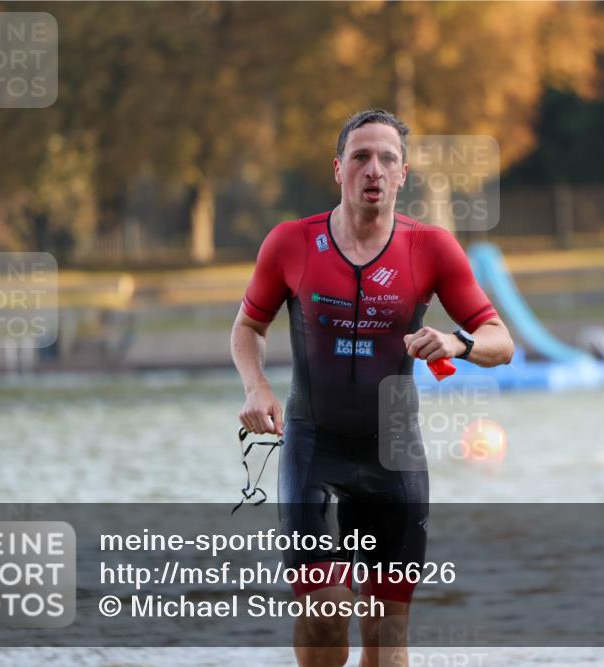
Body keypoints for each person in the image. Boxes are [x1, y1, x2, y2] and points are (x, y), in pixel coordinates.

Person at [231, 109, 514, 667]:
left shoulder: (430, 248)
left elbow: (500, 340)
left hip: (395, 456)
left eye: (387, 158)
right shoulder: (290, 243)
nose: (373, 169)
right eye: (361, 156)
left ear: (402, 174)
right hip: (314, 447)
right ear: (338, 169)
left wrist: (456, 343)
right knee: (326, 611)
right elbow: (248, 327)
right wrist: (256, 387)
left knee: (388, 638)